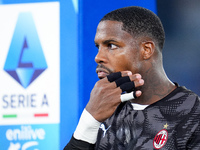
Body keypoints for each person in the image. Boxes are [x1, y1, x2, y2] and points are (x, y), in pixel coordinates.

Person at [64, 6, 200, 150]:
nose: (98, 57)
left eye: (111, 45)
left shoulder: (193, 114)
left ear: (146, 50)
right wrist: (88, 121)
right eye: (98, 47)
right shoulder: (102, 112)